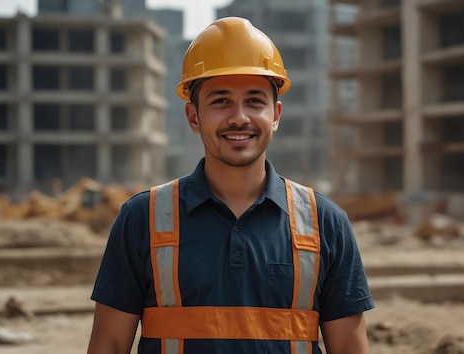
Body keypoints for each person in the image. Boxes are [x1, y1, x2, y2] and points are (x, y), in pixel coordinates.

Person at [87, 16, 374, 354]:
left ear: (276, 114)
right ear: (193, 117)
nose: (239, 117)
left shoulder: (325, 221)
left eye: (254, 101)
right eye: (221, 101)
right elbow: (109, 345)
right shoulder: (142, 218)